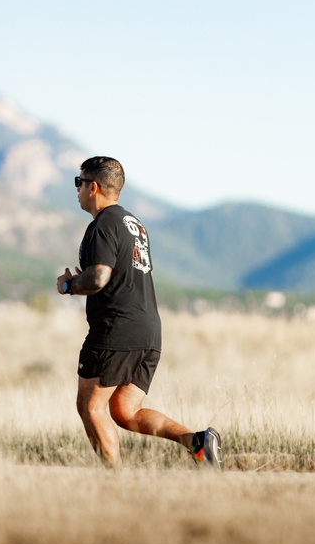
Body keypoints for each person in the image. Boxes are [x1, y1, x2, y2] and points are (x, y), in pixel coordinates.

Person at [56, 156, 222, 469]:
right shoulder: (134, 224)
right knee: (125, 411)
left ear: (93, 187)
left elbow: (99, 277)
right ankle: (197, 442)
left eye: (78, 182)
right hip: (149, 331)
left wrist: (70, 285)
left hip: (115, 329)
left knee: (90, 407)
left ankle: (116, 483)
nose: (76, 189)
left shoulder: (101, 225)